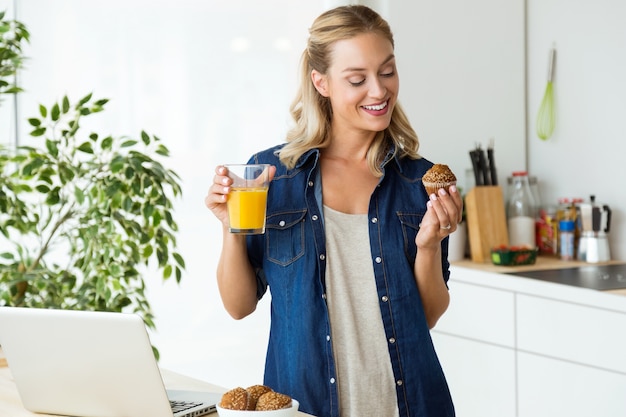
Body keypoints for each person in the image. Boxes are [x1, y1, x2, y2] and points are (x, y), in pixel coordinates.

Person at [205, 5, 461, 417]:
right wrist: (230, 226)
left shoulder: (420, 182)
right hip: (304, 406)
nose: (379, 91)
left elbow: (426, 318)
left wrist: (430, 245)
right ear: (320, 82)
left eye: (388, 71)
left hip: (408, 403)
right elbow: (239, 305)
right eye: (357, 79)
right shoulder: (275, 177)